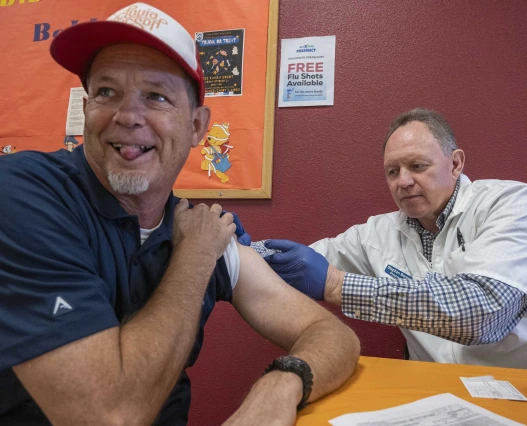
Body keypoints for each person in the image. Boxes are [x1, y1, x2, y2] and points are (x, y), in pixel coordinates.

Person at [0, 4, 360, 425]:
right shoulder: (24, 193)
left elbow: (333, 336)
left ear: (196, 126)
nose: (128, 116)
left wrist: (281, 383)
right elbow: (107, 416)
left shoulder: (201, 228)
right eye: (106, 92)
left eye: (156, 96)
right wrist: (194, 257)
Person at [259, 107, 527, 372]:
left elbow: (484, 313)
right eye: (392, 172)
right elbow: (300, 261)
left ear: (455, 164)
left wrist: (337, 286)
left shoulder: (512, 203)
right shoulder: (378, 233)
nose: (403, 182)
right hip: (440, 397)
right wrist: (239, 249)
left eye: (417, 166)